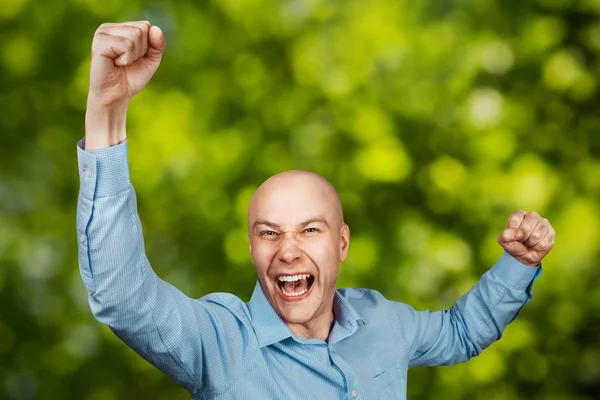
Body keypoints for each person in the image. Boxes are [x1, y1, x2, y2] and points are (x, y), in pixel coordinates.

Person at [76, 21, 555, 400]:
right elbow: (123, 295)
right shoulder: (221, 345)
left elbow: (459, 332)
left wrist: (519, 263)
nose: (288, 251)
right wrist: (106, 112)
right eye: (269, 233)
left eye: (309, 230)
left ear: (341, 243)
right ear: (251, 246)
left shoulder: (382, 321)